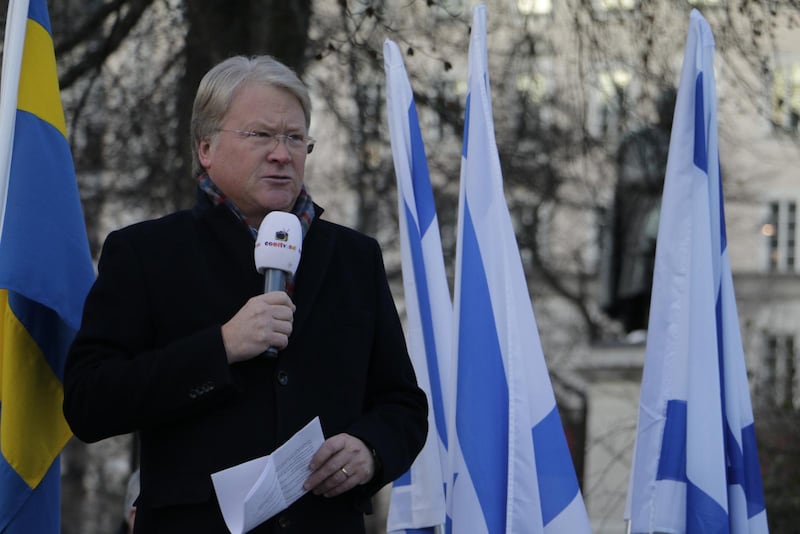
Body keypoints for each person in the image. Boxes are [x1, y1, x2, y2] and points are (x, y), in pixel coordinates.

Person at [63, 55, 428, 533]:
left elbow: (403, 405)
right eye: (260, 135)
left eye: (295, 138)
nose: (282, 153)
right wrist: (221, 347)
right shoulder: (145, 252)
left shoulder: (354, 257)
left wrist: (371, 450)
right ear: (206, 147)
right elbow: (90, 403)